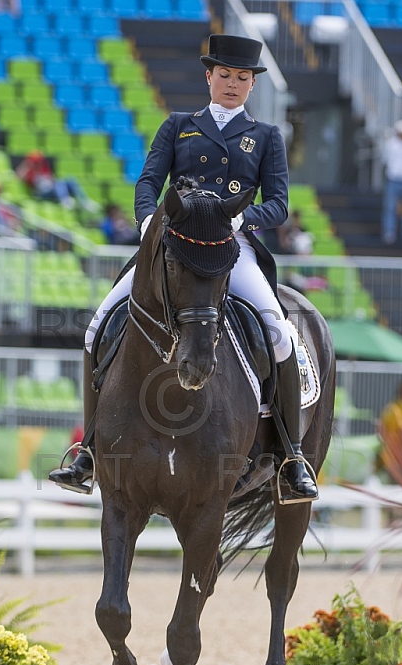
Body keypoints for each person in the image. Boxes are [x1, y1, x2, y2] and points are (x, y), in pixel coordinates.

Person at [49, 34, 318, 503]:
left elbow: (277, 204)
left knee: (279, 332)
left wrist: (243, 217)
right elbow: (149, 180)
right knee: (96, 328)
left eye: (242, 78)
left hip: (232, 248)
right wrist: (150, 219)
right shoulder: (179, 126)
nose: (232, 84)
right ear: (209, 76)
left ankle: (293, 455)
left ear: (252, 85)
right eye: (225, 75)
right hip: (174, 246)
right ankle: (88, 451)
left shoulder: (266, 137)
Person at [16, 152, 98, 212]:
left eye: (39, 161)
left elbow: (51, 179)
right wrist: (27, 165)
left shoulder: (44, 169)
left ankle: (84, 201)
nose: (38, 164)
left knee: (70, 179)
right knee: (58, 184)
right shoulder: (29, 171)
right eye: (36, 162)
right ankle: (65, 201)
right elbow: (18, 176)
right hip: (41, 194)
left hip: (52, 190)